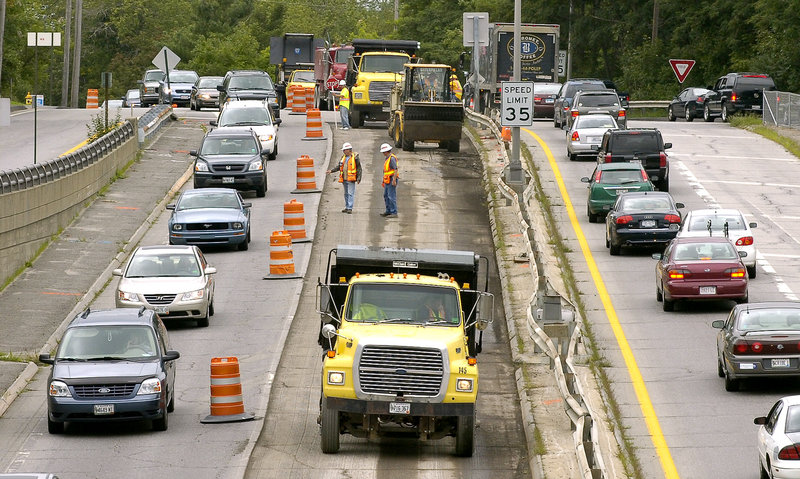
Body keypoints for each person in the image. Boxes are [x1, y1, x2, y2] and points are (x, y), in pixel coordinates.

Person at [327, 142, 362, 213]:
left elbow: (359, 168)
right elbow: (339, 167)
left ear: (349, 150)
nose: (343, 151)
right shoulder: (343, 158)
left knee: (350, 193)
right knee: (346, 193)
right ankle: (347, 207)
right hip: (344, 179)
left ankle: (350, 208)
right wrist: (331, 171)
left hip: (351, 179)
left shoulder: (355, 158)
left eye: (345, 150)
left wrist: (359, 178)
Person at [379, 143, 398, 218]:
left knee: (391, 196)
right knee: (386, 195)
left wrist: (394, 180)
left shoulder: (392, 158)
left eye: (384, 152)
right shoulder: (387, 158)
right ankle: (388, 211)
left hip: (391, 179)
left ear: (386, 151)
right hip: (387, 180)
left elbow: (395, 169)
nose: (383, 153)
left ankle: (394, 212)